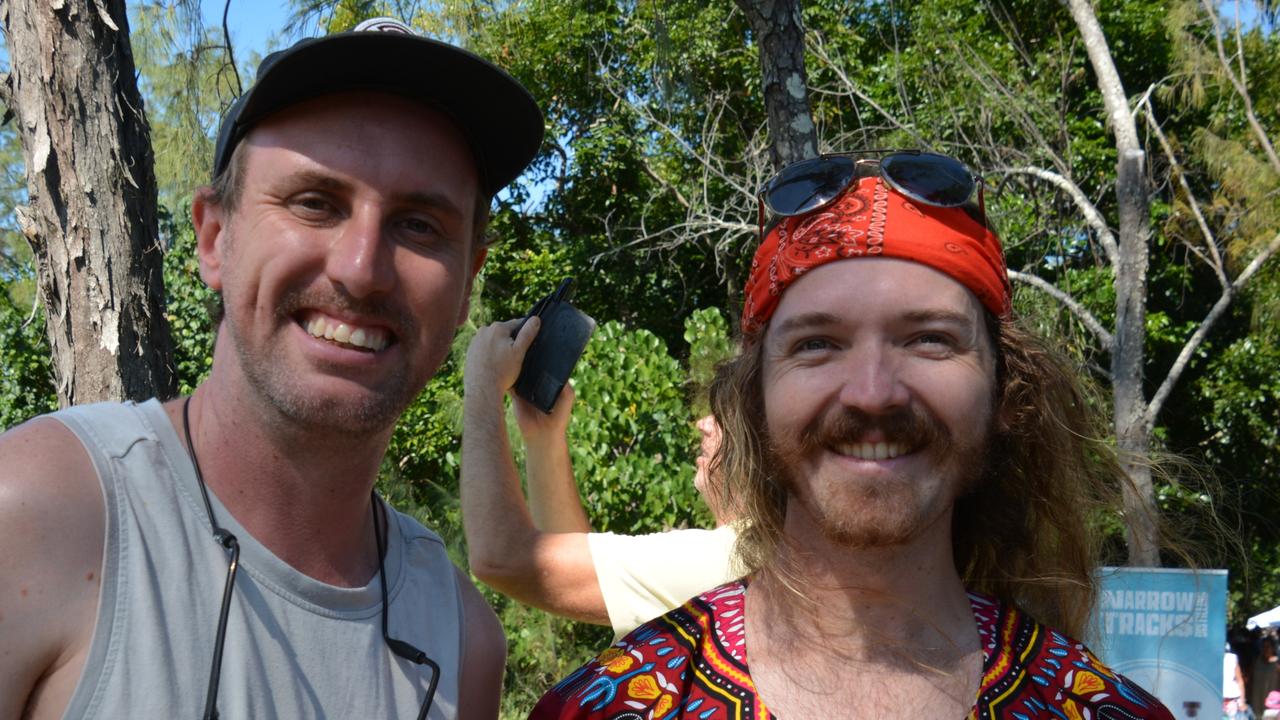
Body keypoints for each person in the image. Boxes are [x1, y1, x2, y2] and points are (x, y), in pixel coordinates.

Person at [0, 17, 543, 719]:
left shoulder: (464, 641)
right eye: (316, 203)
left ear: (468, 280)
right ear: (214, 238)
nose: (361, 270)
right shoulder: (41, 515)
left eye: (418, 225)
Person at [528, 151, 1176, 718]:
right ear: (754, 403)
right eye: (817, 345)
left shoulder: (1100, 710)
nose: (872, 392)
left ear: (1006, 394)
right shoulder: (605, 708)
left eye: (930, 340)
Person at [460, 339, 743, 639]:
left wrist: (483, 385)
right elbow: (566, 562)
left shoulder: (722, 558)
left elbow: (502, 556)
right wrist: (545, 439)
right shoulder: (753, 553)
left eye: (724, 417)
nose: (703, 424)